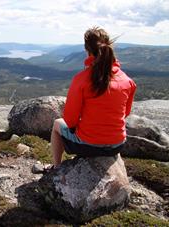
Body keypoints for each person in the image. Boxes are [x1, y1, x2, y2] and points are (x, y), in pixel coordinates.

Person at [50, 27, 137, 168]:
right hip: (117, 145)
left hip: (89, 146)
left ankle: (57, 167)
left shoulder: (81, 79)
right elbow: (125, 113)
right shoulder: (127, 80)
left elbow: (70, 120)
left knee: (57, 124)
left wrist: (79, 127)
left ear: (87, 50)